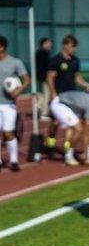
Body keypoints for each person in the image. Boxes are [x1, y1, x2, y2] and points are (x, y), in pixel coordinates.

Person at [46, 34, 89, 166]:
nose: (73, 50)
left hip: (72, 98)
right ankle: (50, 143)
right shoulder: (55, 60)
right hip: (59, 97)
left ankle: (68, 149)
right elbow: (50, 77)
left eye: (74, 47)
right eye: (72, 47)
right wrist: (53, 93)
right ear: (65, 45)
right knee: (55, 122)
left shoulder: (75, 61)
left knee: (72, 125)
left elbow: (77, 78)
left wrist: (86, 85)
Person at [0, 35, 30, 171]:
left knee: (8, 132)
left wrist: (19, 90)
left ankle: (14, 160)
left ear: (2, 47)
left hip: (8, 105)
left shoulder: (15, 62)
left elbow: (26, 79)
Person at [35, 37, 52, 118]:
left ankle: (38, 107)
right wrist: (46, 78)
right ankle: (43, 113)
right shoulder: (44, 53)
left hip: (40, 77)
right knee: (46, 95)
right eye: (48, 43)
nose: (50, 44)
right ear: (44, 44)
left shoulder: (39, 53)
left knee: (42, 95)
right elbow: (45, 67)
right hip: (45, 78)